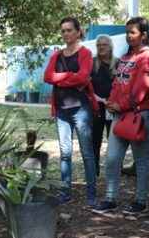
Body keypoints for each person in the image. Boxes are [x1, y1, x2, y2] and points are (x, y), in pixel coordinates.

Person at [92, 17, 149, 215]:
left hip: (141, 116)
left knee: (141, 160)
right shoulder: (125, 57)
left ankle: (140, 201)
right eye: (127, 32)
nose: (129, 36)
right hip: (120, 115)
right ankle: (110, 198)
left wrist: (121, 105)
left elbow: (143, 88)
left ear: (144, 34)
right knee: (112, 158)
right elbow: (116, 84)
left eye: (133, 32)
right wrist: (112, 103)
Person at [43, 17, 100, 206]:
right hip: (61, 110)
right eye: (63, 31)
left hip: (80, 109)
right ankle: (65, 192)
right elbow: (47, 77)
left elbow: (83, 78)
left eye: (69, 30)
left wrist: (61, 78)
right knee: (65, 153)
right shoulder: (57, 55)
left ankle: (91, 194)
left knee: (87, 153)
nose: (66, 34)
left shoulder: (85, 53)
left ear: (77, 32)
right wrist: (69, 76)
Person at [90, 35, 117, 177]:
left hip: (113, 108)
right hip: (96, 107)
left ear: (110, 46)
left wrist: (113, 102)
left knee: (113, 142)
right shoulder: (92, 63)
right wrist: (100, 99)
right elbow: (86, 87)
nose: (101, 47)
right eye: (98, 45)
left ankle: (112, 172)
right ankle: (94, 173)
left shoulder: (118, 63)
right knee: (95, 141)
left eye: (104, 44)